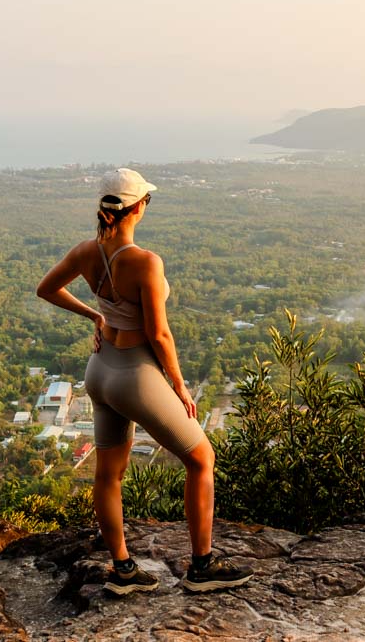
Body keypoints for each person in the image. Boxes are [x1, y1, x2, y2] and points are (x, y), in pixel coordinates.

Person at [36, 167, 253, 595]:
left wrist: (95, 314)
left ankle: (123, 570)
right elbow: (158, 334)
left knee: (108, 475)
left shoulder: (85, 252)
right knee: (201, 459)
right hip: (136, 375)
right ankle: (202, 567)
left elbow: (47, 289)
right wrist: (179, 384)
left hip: (100, 371)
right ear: (140, 207)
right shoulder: (145, 262)